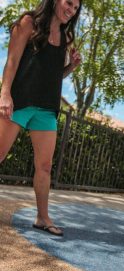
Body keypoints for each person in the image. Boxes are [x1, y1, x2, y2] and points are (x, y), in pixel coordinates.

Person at [0, 0, 82, 236]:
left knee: (44, 166)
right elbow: (12, 61)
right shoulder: (28, 23)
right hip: (20, 101)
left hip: (47, 109)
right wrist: (4, 94)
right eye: (69, 3)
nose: (72, 10)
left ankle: (42, 217)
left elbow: (54, 75)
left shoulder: (66, 37)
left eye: (76, 8)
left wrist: (71, 67)